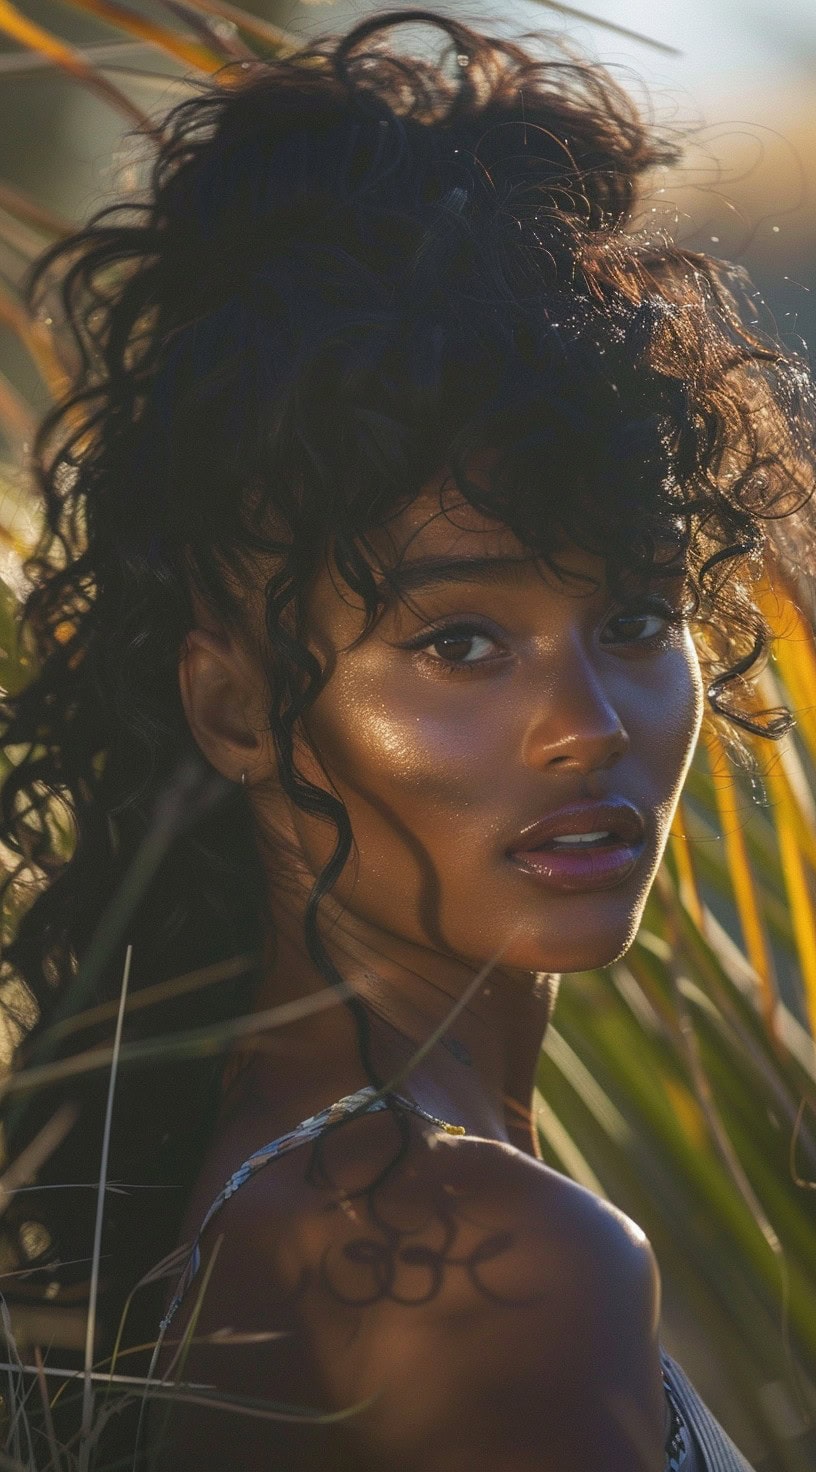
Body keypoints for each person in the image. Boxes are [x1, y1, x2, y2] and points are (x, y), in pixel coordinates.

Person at [0, 9, 813, 1469]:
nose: (584, 726)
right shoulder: (482, 1267)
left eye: (634, 616)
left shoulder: (278, 1178)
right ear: (236, 705)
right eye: (459, 643)